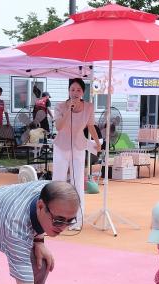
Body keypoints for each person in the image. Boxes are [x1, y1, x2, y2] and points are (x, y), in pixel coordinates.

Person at [52, 78, 101, 228]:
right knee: (59, 181)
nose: (75, 92)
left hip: (79, 146)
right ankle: (54, 216)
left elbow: (91, 125)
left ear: (83, 92)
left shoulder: (89, 107)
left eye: (78, 90)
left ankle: (76, 219)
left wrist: (98, 142)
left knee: (78, 182)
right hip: (61, 146)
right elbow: (59, 127)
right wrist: (69, 110)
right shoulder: (60, 106)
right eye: (72, 89)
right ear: (68, 91)